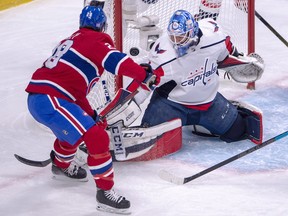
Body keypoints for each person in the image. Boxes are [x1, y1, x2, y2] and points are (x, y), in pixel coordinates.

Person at [25, 5, 157, 215]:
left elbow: (76, 94)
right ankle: (105, 194)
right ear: (103, 27)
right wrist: (143, 75)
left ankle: (61, 166)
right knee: (97, 138)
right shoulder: (94, 41)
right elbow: (118, 61)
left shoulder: (72, 41)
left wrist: (92, 116)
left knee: (77, 131)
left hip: (44, 98)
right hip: (51, 98)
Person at [140, 9, 264, 144]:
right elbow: (145, 82)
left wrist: (239, 61)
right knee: (148, 142)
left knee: (238, 132)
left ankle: (202, 123)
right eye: (173, 37)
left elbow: (227, 51)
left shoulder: (213, 35)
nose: (177, 41)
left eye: (181, 36)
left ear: (192, 31)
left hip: (208, 103)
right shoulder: (162, 53)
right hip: (171, 104)